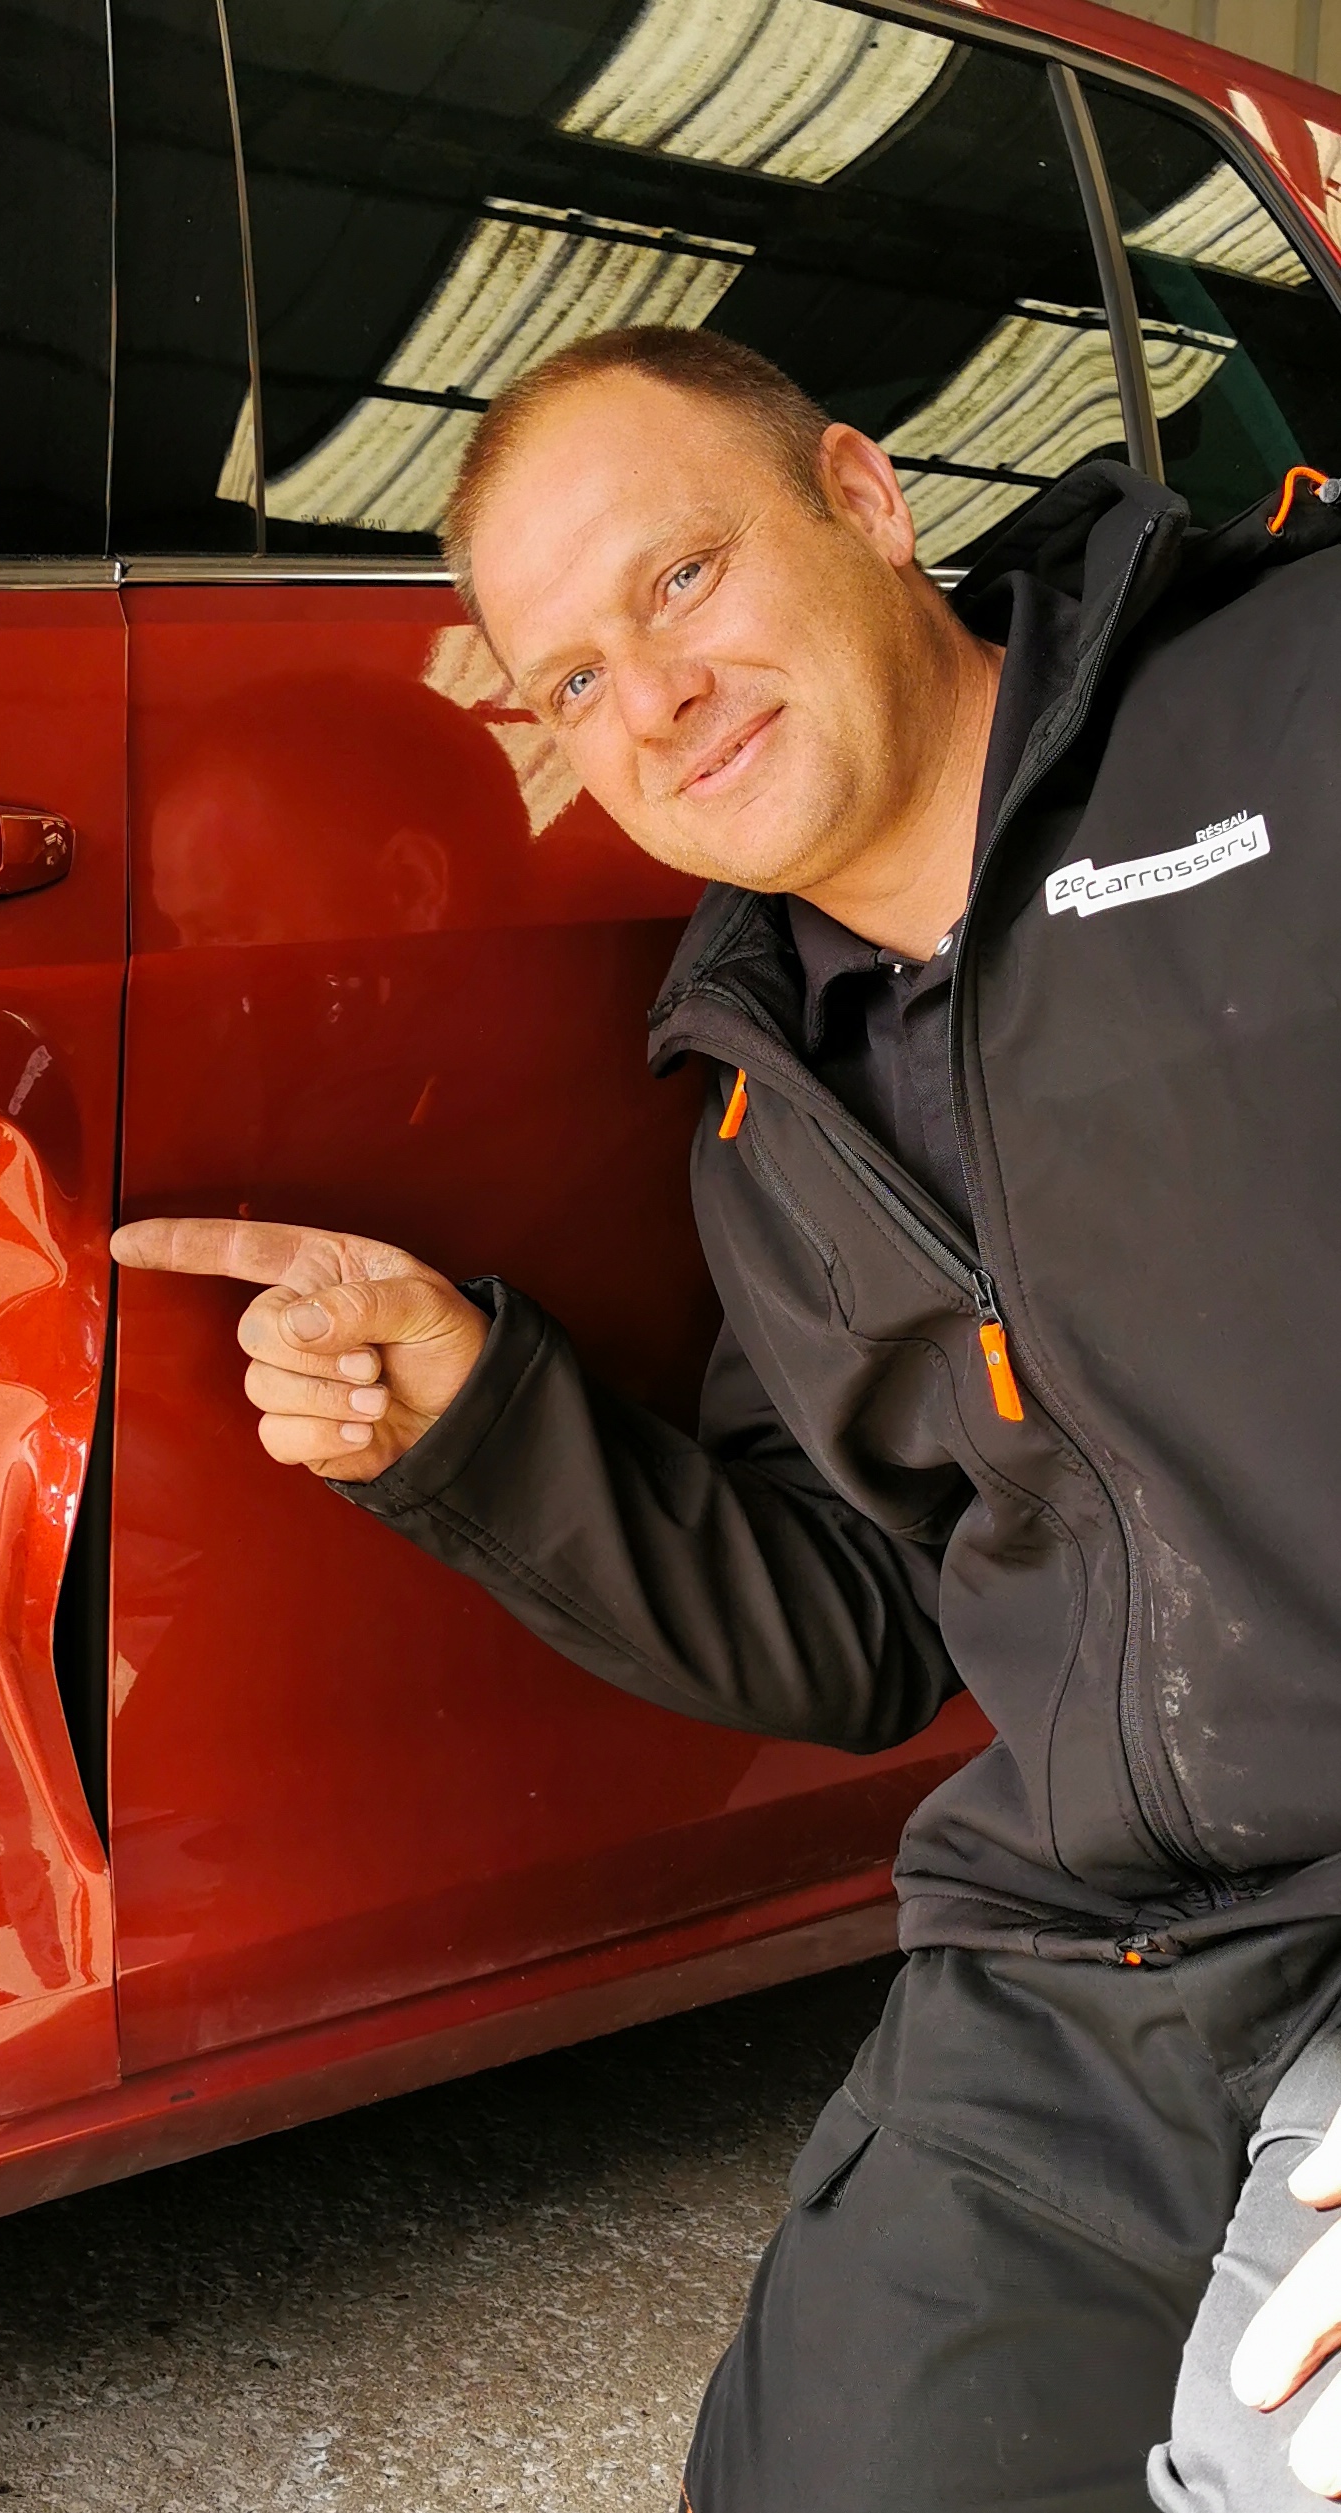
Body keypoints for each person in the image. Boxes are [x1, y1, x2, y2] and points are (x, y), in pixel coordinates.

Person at [112, 324, 1341, 2509]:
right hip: (1105, 1972)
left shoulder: (1293, 711)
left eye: (676, 582)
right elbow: (862, 1633)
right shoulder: (769, 1121)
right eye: (573, 680)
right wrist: (474, 1427)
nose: (650, 701)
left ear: (863, 499)